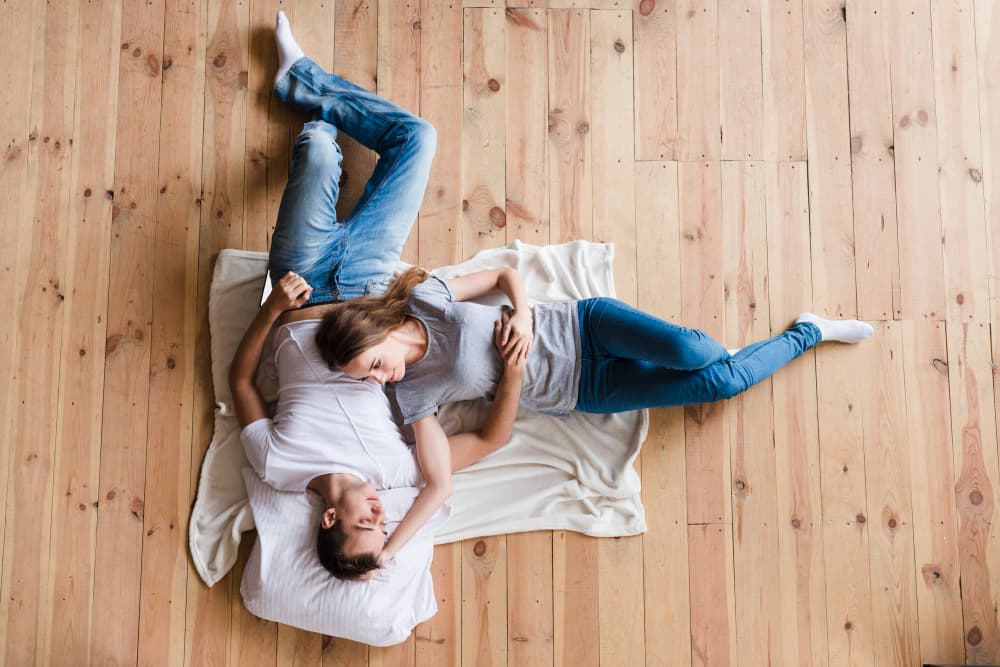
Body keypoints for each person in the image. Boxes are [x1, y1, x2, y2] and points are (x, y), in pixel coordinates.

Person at [228, 12, 524, 581]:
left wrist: (272, 308)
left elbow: (241, 380)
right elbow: (489, 439)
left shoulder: (278, 467)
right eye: (384, 526)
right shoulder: (395, 473)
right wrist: (513, 368)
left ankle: (310, 96)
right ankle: (303, 83)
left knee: (316, 146)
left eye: (366, 523)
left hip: (301, 287)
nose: (381, 514)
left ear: (329, 516)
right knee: (419, 138)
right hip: (368, 287)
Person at [314, 268, 875, 429]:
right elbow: (486, 441)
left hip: (582, 328)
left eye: (370, 365)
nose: (378, 380)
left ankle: (735, 352)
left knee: (694, 352)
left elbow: (507, 275)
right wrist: (511, 379)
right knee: (723, 384)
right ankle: (810, 332)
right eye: (366, 381)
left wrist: (527, 316)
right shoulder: (410, 396)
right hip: (584, 390)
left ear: (373, 330)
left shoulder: (425, 298)